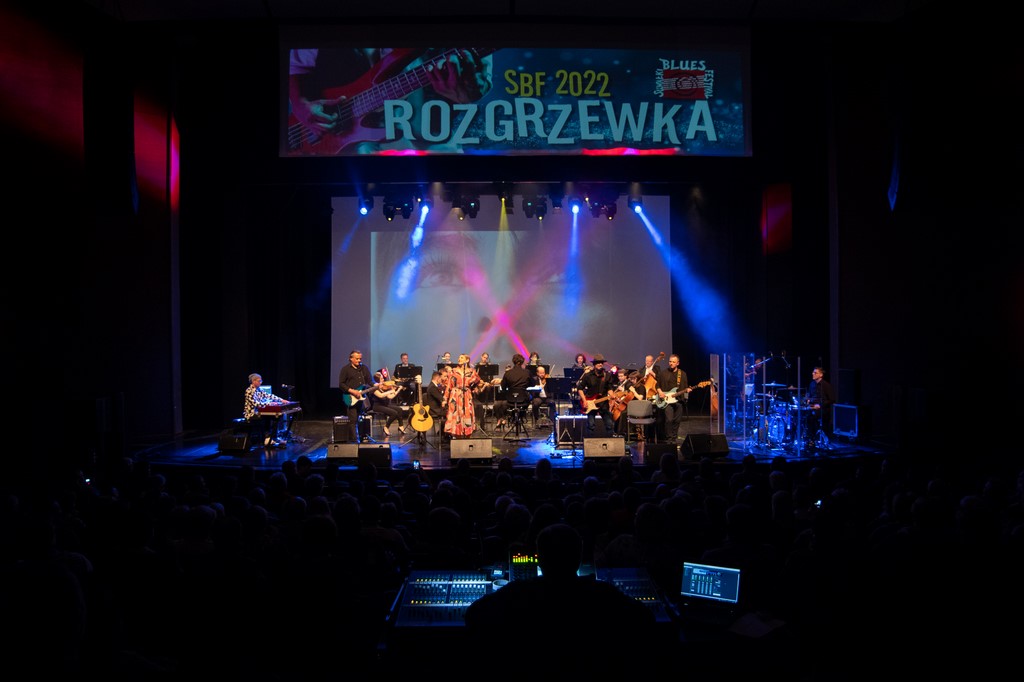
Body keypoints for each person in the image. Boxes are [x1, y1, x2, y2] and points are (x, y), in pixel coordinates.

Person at [463, 523, 657, 674]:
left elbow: (473, 615)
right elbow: (645, 618)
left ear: (539, 559)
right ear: (579, 558)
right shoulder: (603, 593)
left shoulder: (518, 592)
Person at [287, 48, 493, 155]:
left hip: (431, 149)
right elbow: (296, 65)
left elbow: (477, 86)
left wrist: (468, 96)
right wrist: (301, 104)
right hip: (350, 155)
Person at [338, 349, 376, 443]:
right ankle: (354, 441)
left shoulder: (364, 368)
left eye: (360, 359)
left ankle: (363, 437)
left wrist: (377, 385)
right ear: (351, 358)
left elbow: (370, 381)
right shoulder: (345, 369)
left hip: (362, 398)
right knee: (353, 420)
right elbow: (341, 384)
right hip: (350, 397)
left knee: (362, 418)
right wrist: (352, 391)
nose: (359, 360)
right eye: (357, 359)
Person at [243, 373, 288, 447]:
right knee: (267, 416)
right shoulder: (249, 391)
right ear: (253, 381)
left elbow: (269, 396)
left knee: (276, 416)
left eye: (261, 381)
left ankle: (273, 437)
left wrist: (281, 400)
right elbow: (256, 404)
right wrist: (269, 404)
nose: (261, 382)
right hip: (251, 413)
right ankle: (267, 438)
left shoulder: (259, 389)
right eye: (259, 381)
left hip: (260, 412)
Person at [444, 354, 481, 438]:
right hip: (455, 395)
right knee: (456, 415)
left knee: (467, 413)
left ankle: (467, 436)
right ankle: (457, 437)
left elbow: (477, 381)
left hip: (466, 395)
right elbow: (449, 385)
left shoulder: (472, 371)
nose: (459, 359)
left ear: (467, 360)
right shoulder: (453, 371)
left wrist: (471, 388)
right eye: (459, 357)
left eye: (461, 358)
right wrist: (445, 398)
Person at [577, 354, 616, 434]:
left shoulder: (607, 375)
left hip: (603, 403)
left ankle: (610, 439)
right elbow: (580, 388)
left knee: (609, 425)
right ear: (594, 364)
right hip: (590, 402)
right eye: (598, 363)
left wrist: (612, 395)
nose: (600, 364)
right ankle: (590, 440)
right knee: (591, 425)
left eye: (601, 363)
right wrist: (584, 401)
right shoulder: (588, 375)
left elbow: (609, 388)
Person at [654, 354, 688, 442]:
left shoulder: (682, 374)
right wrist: (660, 392)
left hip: (678, 400)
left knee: (677, 420)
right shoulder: (663, 373)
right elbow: (657, 385)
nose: (671, 363)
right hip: (667, 401)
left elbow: (685, 387)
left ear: (678, 363)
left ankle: (674, 438)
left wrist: (687, 390)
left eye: (673, 362)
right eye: (670, 361)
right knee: (669, 420)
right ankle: (669, 438)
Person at [495, 353, 531, 429]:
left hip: (510, 399)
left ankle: (510, 417)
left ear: (513, 361)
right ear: (522, 362)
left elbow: (503, 388)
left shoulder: (507, 373)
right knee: (530, 398)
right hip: (523, 399)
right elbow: (532, 384)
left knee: (500, 403)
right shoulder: (527, 372)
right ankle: (521, 415)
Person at [369, 371, 408, 438]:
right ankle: (386, 427)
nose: (383, 379)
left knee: (399, 409)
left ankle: (401, 426)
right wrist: (390, 391)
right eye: (381, 378)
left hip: (384, 405)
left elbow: (390, 397)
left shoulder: (383, 387)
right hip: (377, 406)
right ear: (377, 380)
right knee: (394, 413)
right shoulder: (374, 389)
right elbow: (381, 395)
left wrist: (398, 390)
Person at [805, 366, 836, 441]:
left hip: (823, 409)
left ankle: (816, 437)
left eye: (815, 373)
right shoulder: (812, 384)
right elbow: (809, 395)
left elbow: (832, 399)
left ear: (821, 375)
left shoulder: (826, 385)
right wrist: (808, 399)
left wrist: (820, 405)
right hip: (813, 407)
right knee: (805, 416)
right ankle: (809, 439)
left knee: (812, 417)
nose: (813, 374)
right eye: (813, 372)